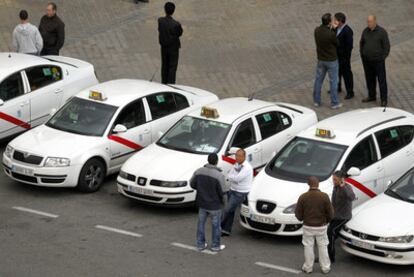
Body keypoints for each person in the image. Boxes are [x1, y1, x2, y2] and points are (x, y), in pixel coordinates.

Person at [295, 176, 334, 274]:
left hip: (308, 226)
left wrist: (302, 219)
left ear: (308, 184)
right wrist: (327, 221)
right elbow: (331, 213)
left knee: (308, 246)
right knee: (323, 246)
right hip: (321, 226)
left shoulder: (303, 196)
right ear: (318, 184)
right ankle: (325, 268)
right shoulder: (324, 196)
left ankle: (308, 268)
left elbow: (298, 214)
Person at [190, 153, 226, 252]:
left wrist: (201, 190)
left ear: (208, 160)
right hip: (215, 205)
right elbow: (223, 192)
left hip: (202, 203)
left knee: (201, 224)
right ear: (216, 161)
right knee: (216, 226)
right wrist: (224, 204)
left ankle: (200, 244)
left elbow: (192, 184)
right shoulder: (219, 175)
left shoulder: (199, 171)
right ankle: (215, 246)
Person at [221, 149, 253, 236]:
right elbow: (229, 175)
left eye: (239, 156)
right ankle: (226, 230)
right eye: (236, 156)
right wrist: (233, 177)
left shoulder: (247, 167)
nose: (237, 158)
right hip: (232, 190)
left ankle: (219, 227)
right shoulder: (237, 164)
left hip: (240, 192)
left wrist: (232, 177)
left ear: (244, 157)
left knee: (227, 210)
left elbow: (237, 179)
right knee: (231, 211)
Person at [360, 15, 390, 107]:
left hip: (378, 61)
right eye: (368, 21)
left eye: (370, 21)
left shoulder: (382, 32)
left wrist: (382, 58)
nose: (369, 23)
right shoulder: (365, 31)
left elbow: (386, 47)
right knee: (369, 79)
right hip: (367, 61)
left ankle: (384, 99)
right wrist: (362, 54)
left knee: (381, 80)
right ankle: (371, 96)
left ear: (375, 21)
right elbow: (362, 43)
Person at [313, 13, 342, 109]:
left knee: (318, 80)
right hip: (331, 60)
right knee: (333, 81)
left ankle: (316, 101)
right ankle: (334, 102)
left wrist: (331, 28)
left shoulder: (317, 30)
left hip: (321, 59)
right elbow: (336, 43)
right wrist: (334, 29)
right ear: (329, 22)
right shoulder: (330, 34)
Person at [328, 170, 355, 263]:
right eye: (333, 179)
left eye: (335, 180)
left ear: (341, 180)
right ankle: (326, 255)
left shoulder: (347, 187)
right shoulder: (335, 187)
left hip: (343, 217)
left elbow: (351, 197)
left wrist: (343, 187)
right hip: (335, 216)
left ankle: (330, 258)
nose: (333, 182)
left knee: (330, 233)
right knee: (328, 236)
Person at [158, 2, 183, 84]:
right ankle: (171, 84)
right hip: (173, 48)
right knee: (172, 67)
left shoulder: (160, 21)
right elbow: (180, 33)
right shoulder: (176, 24)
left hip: (164, 47)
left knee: (164, 65)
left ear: (165, 10)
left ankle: (164, 82)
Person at [334, 12, 354, 100]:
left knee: (346, 74)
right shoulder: (335, 29)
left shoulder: (347, 31)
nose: (333, 21)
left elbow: (349, 46)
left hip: (344, 57)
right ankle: (337, 87)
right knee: (336, 73)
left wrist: (345, 56)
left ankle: (350, 92)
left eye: (335, 20)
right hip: (336, 56)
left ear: (340, 21)